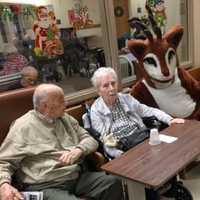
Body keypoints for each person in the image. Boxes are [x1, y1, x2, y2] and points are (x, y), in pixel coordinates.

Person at [0, 84, 123, 200]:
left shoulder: (65, 118)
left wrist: (79, 150)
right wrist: (4, 185)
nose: (66, 103)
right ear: (45, 106)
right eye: (61, 101)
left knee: (113, 183)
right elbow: (3, 161)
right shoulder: (22, 127)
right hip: (46, 185)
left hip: (75, 176)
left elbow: (90, 140)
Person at [90, 67, 185, 158]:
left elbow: (149, 111)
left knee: (173, 151)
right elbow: (105, 140)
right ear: (99, 91)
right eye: (106, 85)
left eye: (113, 83)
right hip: (123, 149)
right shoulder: (96, 111)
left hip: (142, 139)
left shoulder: (126, 99)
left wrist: (170, 120)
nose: (111, 88)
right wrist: (120, 155)